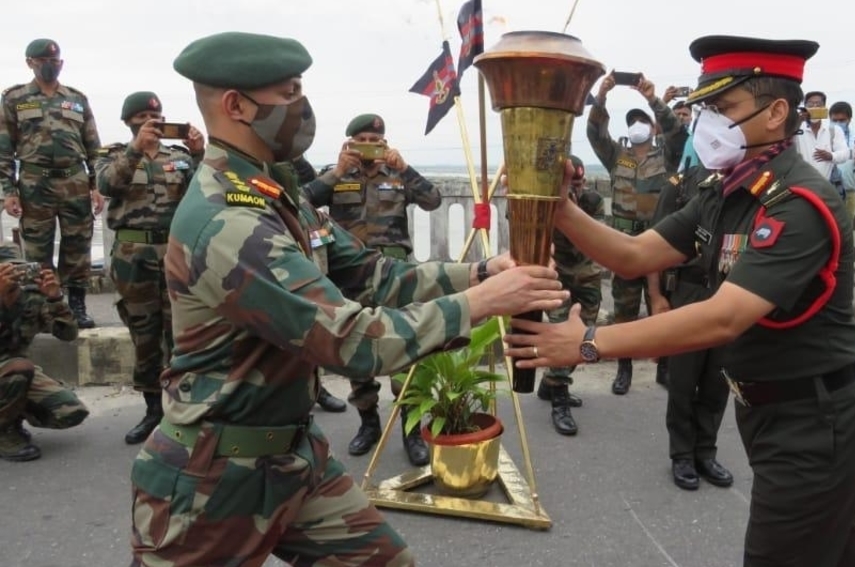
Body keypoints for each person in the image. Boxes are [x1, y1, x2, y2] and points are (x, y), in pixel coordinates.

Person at [129, 31, 567, 566]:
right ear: (235, 105)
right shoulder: (229, 221)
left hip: (292, 460)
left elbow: (371, 272)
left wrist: (478, 273)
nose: (302, 107)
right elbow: (352, 341)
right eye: (288, 93)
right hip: (213, 479)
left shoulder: (274, 191)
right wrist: (482, 303)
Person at [507, 35, 855, 567]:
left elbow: (724, 316)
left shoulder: (796, 203)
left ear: (776, 113)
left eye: (724, 109)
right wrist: (561, 206)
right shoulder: (722, 190)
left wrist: (588, 343)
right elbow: (635, 255)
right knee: (835, 546)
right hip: (771, 409)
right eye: (707, 109)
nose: (709, 124)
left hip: (816, 419)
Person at [303, 113, 442, 464]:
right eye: (363, 139)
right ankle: (368, 423)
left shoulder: (397, 173)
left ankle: (411, 429)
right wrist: (336, 171)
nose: (371, 146)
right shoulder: (335, 175)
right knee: (356, 349)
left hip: (394, 273)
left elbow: (434, 200)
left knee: (406, 349)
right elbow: (301, 204)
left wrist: (406, 168)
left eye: (377, 140)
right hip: (350, 276)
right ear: (349, 143)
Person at [95, 92, 205, 445]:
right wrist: (135, 150)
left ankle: (181, 409)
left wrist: (201, 153)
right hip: (133, 254)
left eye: (154, 116)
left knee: (181, 331)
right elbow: (107, 185)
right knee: (144, 332)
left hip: (174, 252)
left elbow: (205, 193)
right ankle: (152, 409)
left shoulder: (180, 158)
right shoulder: (114, 154)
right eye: (141, 116)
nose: (149, 122)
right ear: (129, 121)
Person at [645, 149, 733, 491]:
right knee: (683, 379)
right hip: (688, 292)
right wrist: (656, 297)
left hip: (730, 293)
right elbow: (653, 244)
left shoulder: (749, 183)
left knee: (718, 378)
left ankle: (705, 452)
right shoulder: (681, 186)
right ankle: (682, 454)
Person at [0, 39, 103, 329]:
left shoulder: (76, 98)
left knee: (78, 245)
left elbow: (93, 146)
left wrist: (97, 186)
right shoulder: (14, 98)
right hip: (34, 183)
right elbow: (4, 149)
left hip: (74, 180)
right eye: (43, 60)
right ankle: (41, 309)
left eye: (55, 61)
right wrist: (8, 192)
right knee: (36, 249)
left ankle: (77, 306)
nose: (50, 65)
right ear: (30, 62)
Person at [587, 73, 680, 395]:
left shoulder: (666, 156)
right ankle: (623, 367)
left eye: (643, 120)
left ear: (653, 127)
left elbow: (677, 133)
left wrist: (653, 100)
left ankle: (665, 366)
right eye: (632, 121)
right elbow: (594, 133)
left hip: (659, 245)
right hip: (625, 246)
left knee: (663, 308)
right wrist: (601, 97)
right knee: (624, 310)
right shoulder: (617, 156)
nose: (637, 125)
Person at [0, 243, 88, 461]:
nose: (14, 276)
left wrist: (55, 298)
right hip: (14, 369)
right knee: (21, 367)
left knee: (70, 411)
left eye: (17, 269)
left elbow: (68, 334)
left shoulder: (31, 298)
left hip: (12, 373)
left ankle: (10, 418)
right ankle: (4, 434)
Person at [535, 156, 603, 436]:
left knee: (585, 333)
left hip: (586, 273)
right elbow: (530, 235)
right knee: (564, 331)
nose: (576, 188)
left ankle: (550, 383)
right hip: (556, 275)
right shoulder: (543, 202)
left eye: (580, 183)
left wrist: (572, 210)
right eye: (571, 183)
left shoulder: (592, 201)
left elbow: (597, 236)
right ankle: (559, 396)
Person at [281, 154, 349, 414]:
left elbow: (308, 185)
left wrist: (295, 152)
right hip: (277, 267)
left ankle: (317, 388)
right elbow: (312, 192)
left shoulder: (291, 159)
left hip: (311, 268)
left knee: (314, 330)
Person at [796, 91, 849, 183]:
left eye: (818, 104)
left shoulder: (834, 130)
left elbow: (845, 154)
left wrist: (831, 156)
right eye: (810, 104)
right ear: (805, 108)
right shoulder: (797, 129)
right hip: (801, 184)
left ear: (824, 108)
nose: (814, 107)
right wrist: (797, 122)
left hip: (823, 185)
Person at [829, 101, 855, 220]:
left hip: (849, 191)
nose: (838, 123)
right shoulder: (824, 136)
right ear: (829, 119)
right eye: (834, 120)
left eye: (842, 120)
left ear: (849, 119)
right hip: (827, 191)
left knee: (845, 231)